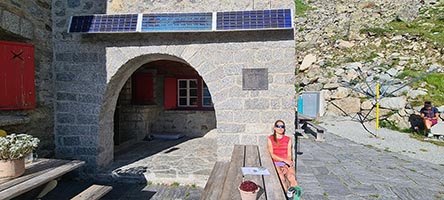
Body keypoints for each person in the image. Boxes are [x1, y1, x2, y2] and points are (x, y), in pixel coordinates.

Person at [267, 120, 298, 192]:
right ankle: (286, 193)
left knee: (292, 177)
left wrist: (286, 165)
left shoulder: (288, 139)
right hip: (276, 162)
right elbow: (272, 154)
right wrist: (284, 161)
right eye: (278, 126)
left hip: (286, 162)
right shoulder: (270, 138)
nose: (280, 128)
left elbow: (289, 154)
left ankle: (295, 195)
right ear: (274, 128)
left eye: (282, 126)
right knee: (281, 177)